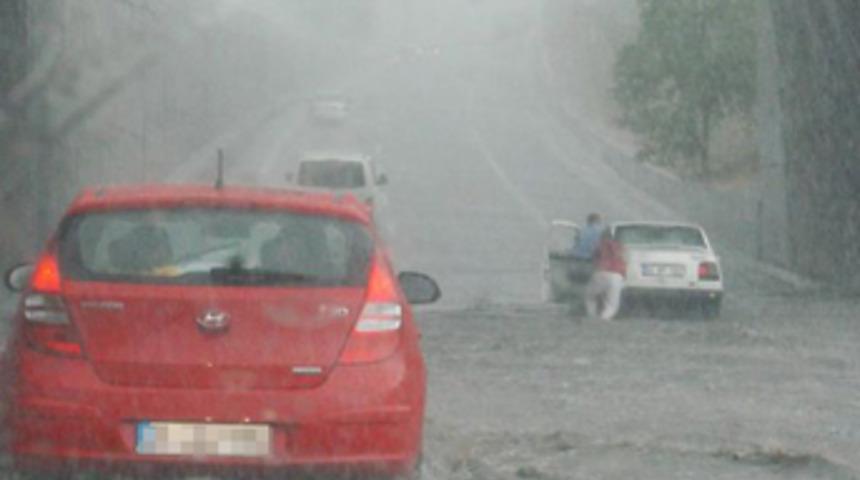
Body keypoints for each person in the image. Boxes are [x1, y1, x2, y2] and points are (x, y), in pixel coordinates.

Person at [585, 228, 626, 320]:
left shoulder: (599, 245)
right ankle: (604, 319)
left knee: (590, 297)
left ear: (602, 237)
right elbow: (623, 261)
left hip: (600, 273)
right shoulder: (619, 247)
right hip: (616, 275)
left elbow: (593, 259)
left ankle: (592, 317)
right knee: (611, 305)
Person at [569, 213, 603, 282]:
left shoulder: (581, 230)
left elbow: (575, 246)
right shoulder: (600, 232)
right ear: (597, 221)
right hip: (590, 262)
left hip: (576, 261)